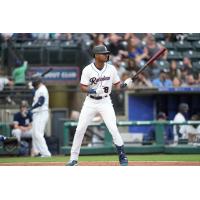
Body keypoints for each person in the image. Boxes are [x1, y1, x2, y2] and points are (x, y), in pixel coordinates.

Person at [66, 45, 128, 166]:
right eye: (103, 53)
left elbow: (117, 84)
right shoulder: (87, 69)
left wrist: (123, 85)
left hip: (105, 101)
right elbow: (83, 87)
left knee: (113, 129)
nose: (106, 55)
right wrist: (93, 91)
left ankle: (122, 156)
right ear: (96, 55)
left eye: (106, 53)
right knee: (80, 129)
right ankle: (73, 159)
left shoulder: (111, 69)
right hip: (91, 102)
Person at [30, 74, 51, 157]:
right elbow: (36, 96)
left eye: (34, 81)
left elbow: (40, 102)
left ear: (37, 81)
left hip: (41, 113)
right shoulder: (39, 89)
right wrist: (31, 89)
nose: (33, 83)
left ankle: (46, 153)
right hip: (38, 113)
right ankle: (38, 152)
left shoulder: (42, 89)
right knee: (34, 134)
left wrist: (31, 108)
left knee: (38, 134)